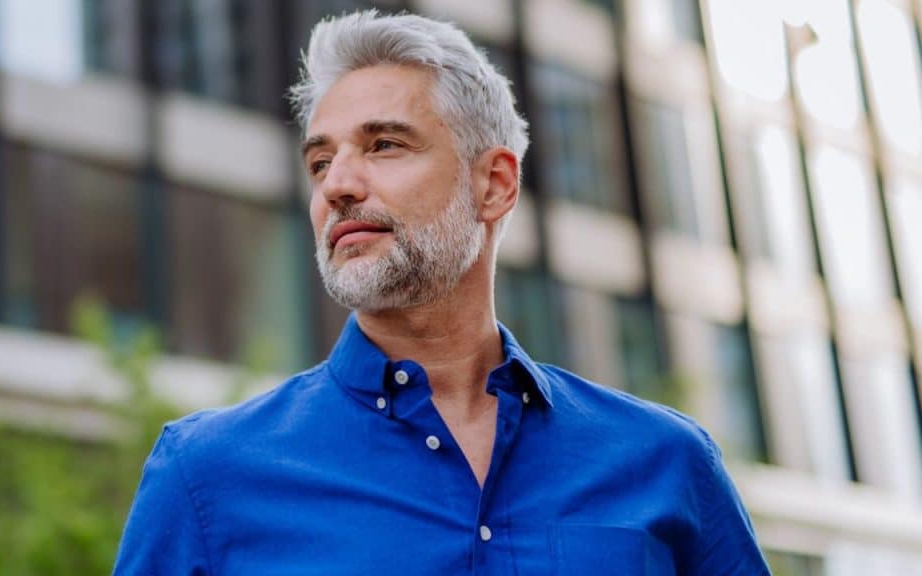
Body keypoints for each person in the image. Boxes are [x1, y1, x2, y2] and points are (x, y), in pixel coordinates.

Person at [113, 10, 771, 575]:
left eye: (385, 145)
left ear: (494, 185)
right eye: (320, 162)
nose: (337, 184)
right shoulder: (205, 476)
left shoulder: (666, 462)